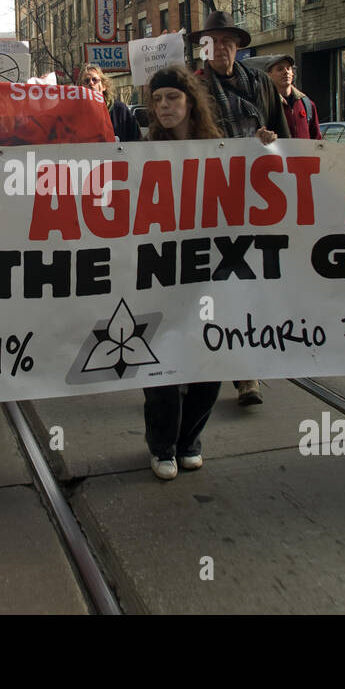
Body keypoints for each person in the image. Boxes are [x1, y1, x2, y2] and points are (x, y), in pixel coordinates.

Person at [188, 10, 287, 407]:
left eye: (229, 41)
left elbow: (286, 137)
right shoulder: (192, 87)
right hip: (211, 201)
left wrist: (271, 140)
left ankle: (246, 372)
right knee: (215, 287)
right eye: (214, 41)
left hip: (257, 199)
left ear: (238, 46)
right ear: (204, 47)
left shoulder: (261, 84)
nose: (222, 48)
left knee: (249, 285)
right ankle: (208, 359)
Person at [141, 66, 225, 479]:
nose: (163, 107)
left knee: (209, 359)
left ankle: (190, 439)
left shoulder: (221, 148)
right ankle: (163, 446)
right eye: (157, 100)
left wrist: (265, 146)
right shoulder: (143, 150)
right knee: (161, 362)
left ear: (190, 100)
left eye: (171, 97)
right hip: (159, 272)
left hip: (209, 271)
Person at [79, 64, 140, 142]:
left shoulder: (120, 110)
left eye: (95, 80)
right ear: (79, 88)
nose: (91, 83)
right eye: (86, 81)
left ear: (104, 86)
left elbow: (135, 140)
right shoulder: (75, 113)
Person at [267, 55, 322, 140]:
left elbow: (317, 140)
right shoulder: (266, 105)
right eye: (280, 69)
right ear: (269, 75)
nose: (286, 72)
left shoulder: (307, 104)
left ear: (292, 73)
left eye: (288, 68)